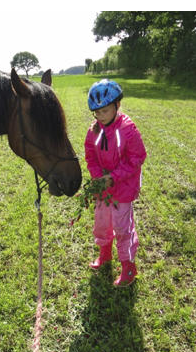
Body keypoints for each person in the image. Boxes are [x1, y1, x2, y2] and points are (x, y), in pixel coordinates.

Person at [84, 79, 147, 287]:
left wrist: (113, 177)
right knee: (101, 223)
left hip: (123, 187)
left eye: (105, 111)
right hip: (104, 188)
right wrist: (97, 177)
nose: (100, 116)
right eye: (97, 112)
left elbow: (137, 158)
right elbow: (90, 156)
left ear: (117, 105)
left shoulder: (128, 129)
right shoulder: (94, 130)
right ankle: (105, 255)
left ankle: (128, 266)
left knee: (122, 227)